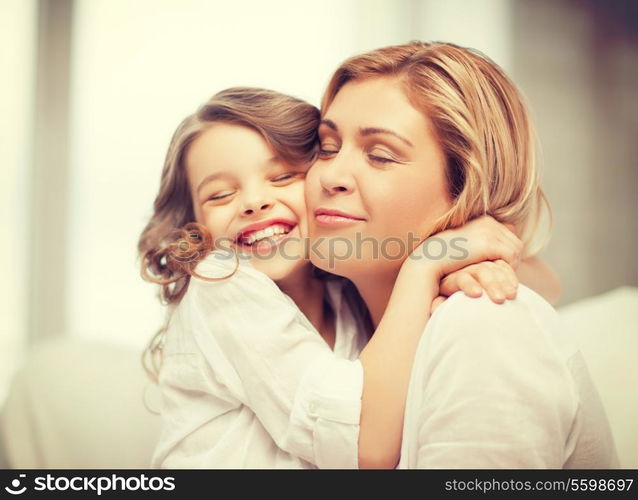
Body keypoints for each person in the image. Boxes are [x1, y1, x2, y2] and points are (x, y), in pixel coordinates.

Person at [138, 86, 551, 468]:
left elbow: (541, 284)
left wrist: (457, 272)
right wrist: (425, 266)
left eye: (282, 177)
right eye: (220, 195)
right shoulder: (220, 282)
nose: (253, 202)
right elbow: (360, 447)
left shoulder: (342, 288)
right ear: (194, 226)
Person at [305, 41, 618, 468]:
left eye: (380, 155)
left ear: (465, 187)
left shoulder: (483, 323)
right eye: (326, 147)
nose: (332, 175)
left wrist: (426, 263)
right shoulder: (335, 323)